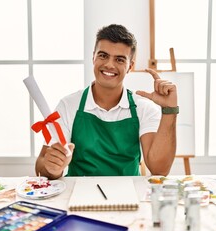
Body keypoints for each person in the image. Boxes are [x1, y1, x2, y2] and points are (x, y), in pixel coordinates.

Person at [35, 24, 178, 179]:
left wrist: (169, 110)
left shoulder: (143, 108)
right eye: (103, 56)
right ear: (93, 58)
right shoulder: (68, 105)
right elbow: (41, 167)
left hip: (128, 196)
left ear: (130, 66)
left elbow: (159, 170)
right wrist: (53, 168)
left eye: (119, 59)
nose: (110, 64)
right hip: (78, 195)